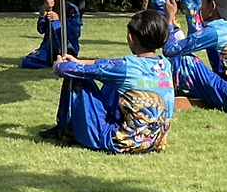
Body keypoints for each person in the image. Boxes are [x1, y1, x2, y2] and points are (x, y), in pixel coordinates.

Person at [45, 9, 175, 154]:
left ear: (131, 37)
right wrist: (79, 61)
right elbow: (107, 64)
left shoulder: (126, 68)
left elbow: (67, 70)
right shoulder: (165, 65)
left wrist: (59, 65)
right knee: (116, 85)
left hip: (122, 142)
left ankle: (65, 131)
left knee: (76, 77)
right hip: (155, 141)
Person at [21, 0, 81, 69]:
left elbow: (76, 32)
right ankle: (53, 61)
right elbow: (41, 29)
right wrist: (44, 11)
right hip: (48, 47)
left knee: (56, 25)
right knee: (27, 62)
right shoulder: (46, 7)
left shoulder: (72, 9)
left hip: (67, 46)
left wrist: (59, 19)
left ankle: (63, 59)